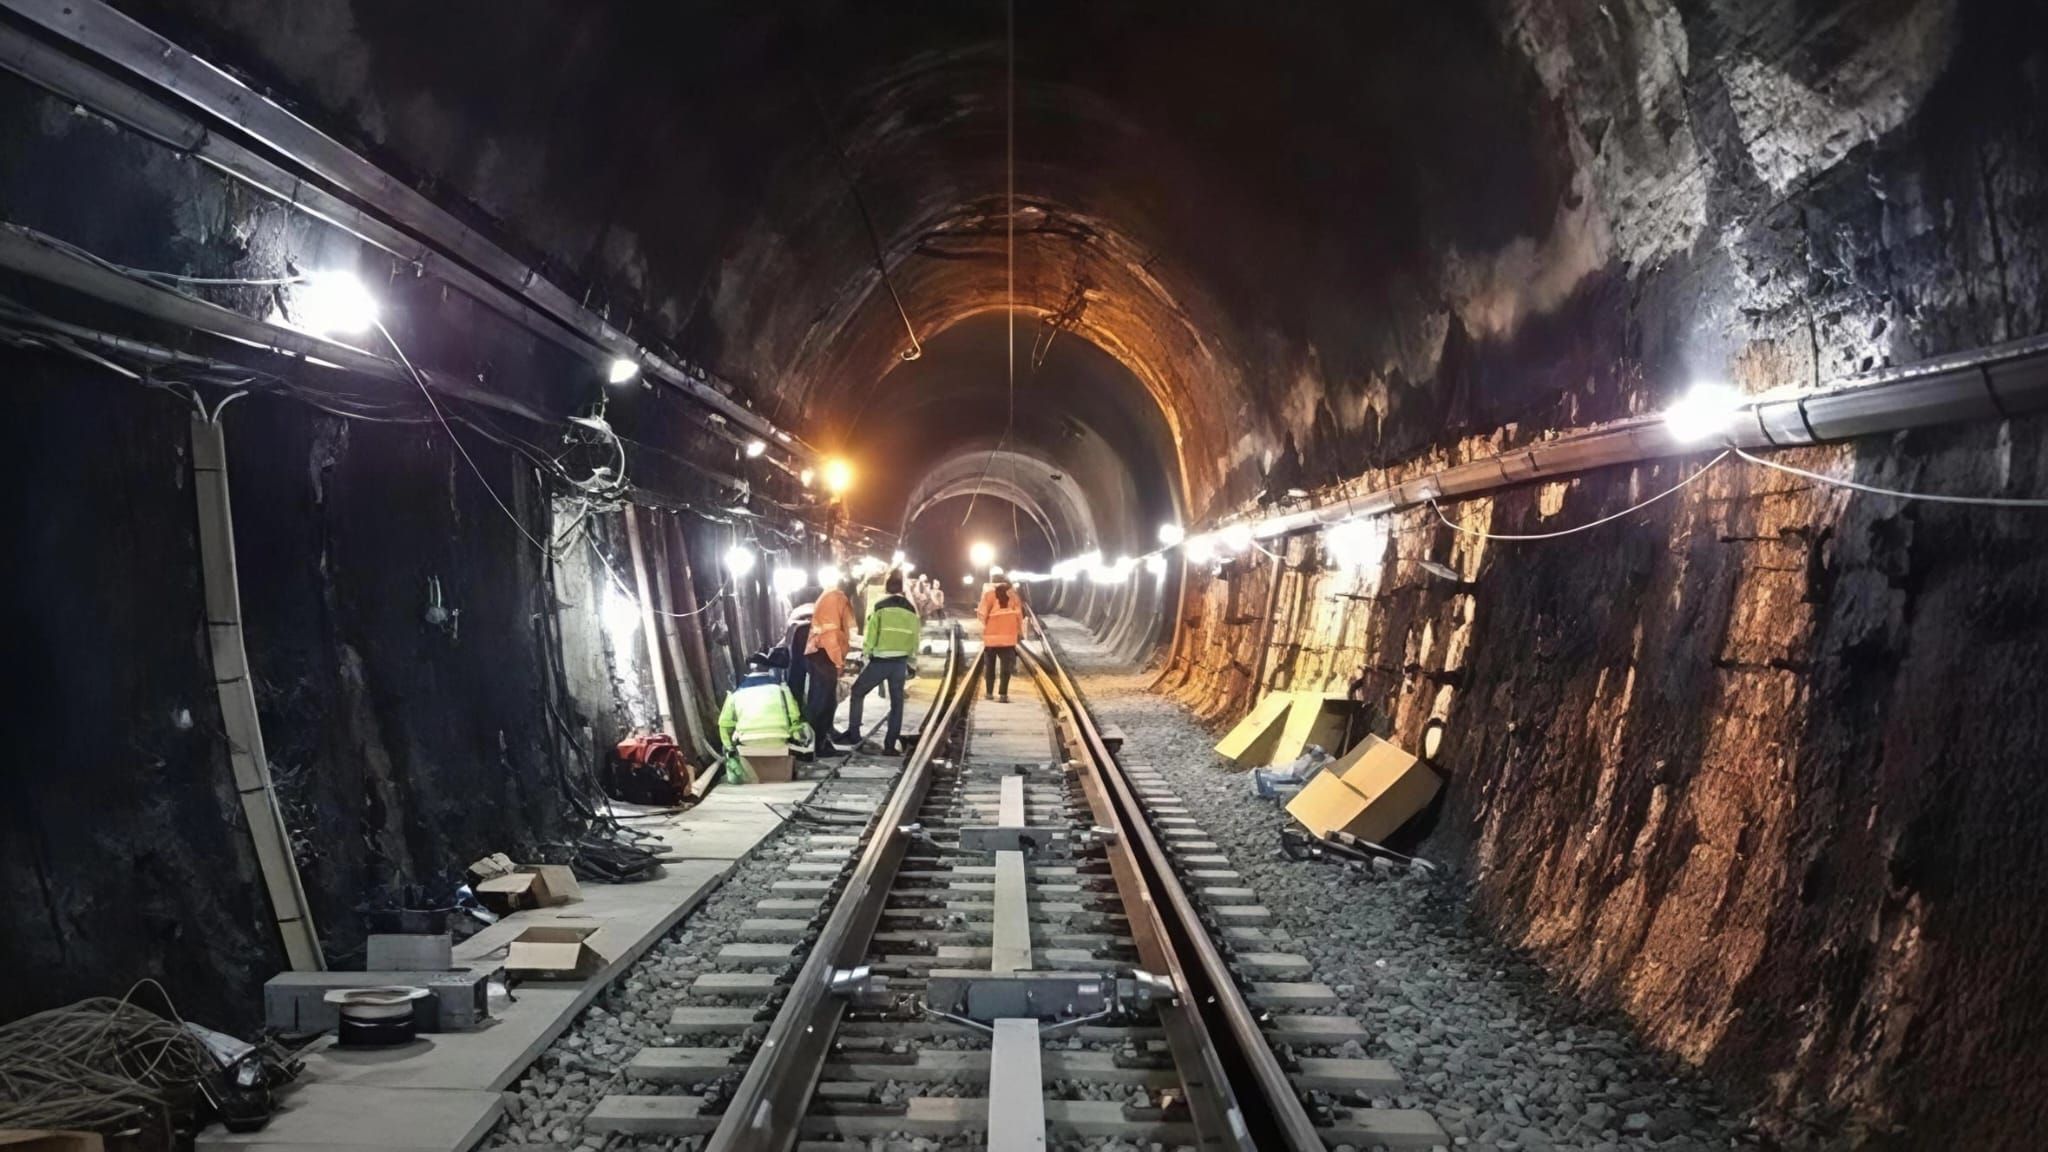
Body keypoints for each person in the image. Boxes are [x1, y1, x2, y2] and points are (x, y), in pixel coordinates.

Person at [838, 571, 922, 753]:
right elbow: (915, 639)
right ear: (902, 589)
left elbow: (871, 633)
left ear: (886, 588)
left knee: (858, 692)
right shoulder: (911, 610)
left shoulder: (880, 606)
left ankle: (854, 735)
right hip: (900, 663)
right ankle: (890, 746)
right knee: (897, 702)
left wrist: (865, 655)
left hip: (880, 661)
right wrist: (912, 664)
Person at [718, 650, 813, 763]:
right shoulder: (781, 689)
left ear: (749, 670)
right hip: (778, 740)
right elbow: (794, 716)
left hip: (748, 742)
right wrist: (798, 739)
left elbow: (724, 724)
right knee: (807, 727)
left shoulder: (736, 693)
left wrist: (729, 747)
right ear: (768, 668)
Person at [803, 573, 860, 752]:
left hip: (819, 652)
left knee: (822, 699)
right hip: (824, 653)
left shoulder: (830, 596)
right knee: (823, 701)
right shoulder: (837, 598)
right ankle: (818, 744)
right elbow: (832, 635)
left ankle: (820, 739)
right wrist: (838, 663)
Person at [977, 576, 1023, 702]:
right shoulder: (1014, 596)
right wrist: (1019, 633)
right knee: (1005, 668)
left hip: (991, 638)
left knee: (990, 667)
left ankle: (989, 693)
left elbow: (981, 614)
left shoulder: (988, 595)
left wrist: (987, 624)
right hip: (1008, 638)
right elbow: (1019, 616)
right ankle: (1003, 695)